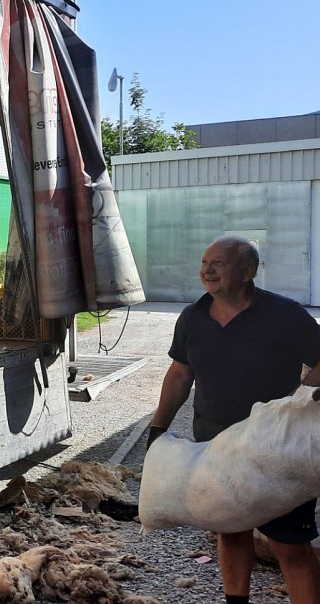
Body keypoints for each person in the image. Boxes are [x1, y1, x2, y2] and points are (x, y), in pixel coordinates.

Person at [150, 236, 320, 604]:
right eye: (204, 262)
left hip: (275, 449)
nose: (206, 270)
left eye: (218, 263)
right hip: (216, 444)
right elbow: (180, 375)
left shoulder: (285, 315)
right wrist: (158, 429)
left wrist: (302, 396)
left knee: (289, 544)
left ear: (248, 271)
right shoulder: (193, 317)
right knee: (230, 532)